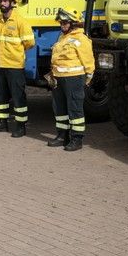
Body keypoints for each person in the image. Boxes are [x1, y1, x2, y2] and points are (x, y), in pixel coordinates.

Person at [0, 0, 35, 138]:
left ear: (13, 3)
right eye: (0, 1)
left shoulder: (21, 21)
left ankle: (21, 126)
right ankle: (2, 122)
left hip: (14, 65)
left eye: (5, 1)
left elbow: (29, 43)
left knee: (18, 96)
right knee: (0, 95)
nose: (2, 3)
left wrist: (15, 54)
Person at [48, 8, 94, 151]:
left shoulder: (81, 39)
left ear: (74, 23)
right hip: (58, 78)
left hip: (73, 79)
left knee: (75, 110)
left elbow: (88, 61)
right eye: (61, 22)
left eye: (65, 22)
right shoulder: (62, 37)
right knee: (59, 108)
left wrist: (88, 77)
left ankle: (77, 139)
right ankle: (62, 136)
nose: (62, 25)